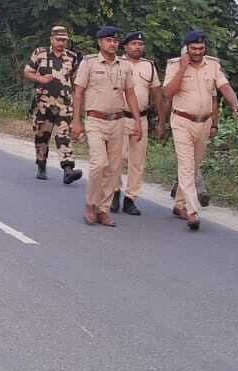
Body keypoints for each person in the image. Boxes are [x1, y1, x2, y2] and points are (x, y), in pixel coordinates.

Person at [163, 30, 238, 231]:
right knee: (187, 166)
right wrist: (182, 69)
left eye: (201, 48)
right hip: (182, 121)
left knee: (194, 165)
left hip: (204, 123)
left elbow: (224, 87)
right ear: (186, 48)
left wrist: (235, 103)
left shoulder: (213, 64)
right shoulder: (174, 65)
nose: (198, 52)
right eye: (193, 49)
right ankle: (192, 211)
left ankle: (179, 205)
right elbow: (168, 92)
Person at [71, 27, 144, 227]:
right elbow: (78, 92)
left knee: (114, 167)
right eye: (108, 40)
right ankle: (90, 204)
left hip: (118, 121)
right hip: (95, 120)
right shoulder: (89, 63)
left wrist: (137, 121)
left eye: (114, 40)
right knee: (99, 164)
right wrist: (76, 121)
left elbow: (130, 94)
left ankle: (104, 209)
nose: (112, 44)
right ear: (100, 43)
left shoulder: (124, 65)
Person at [111, 31, 162, 216]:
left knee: (137, 161)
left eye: (140, 44)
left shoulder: (149, 66)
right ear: (125, 46)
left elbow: (156, 92)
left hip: (141, 118)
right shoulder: (117, 64)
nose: (137, 47)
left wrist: (161, 120)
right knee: (117, 157)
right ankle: (115, 192)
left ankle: (130, 198)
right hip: (119, 117)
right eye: (133, 44)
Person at [22, 25, 83, 183]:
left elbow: (77, 82)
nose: (62, 43)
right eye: (59, 40)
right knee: (42, 135)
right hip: (43, 103)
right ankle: (41, 165)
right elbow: (27, 71)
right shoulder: (40, 53)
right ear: (51, 39)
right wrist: (40, 79)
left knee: (63, 135)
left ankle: (68, 169)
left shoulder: (72, 57)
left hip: (64, 104)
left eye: (64, 40)